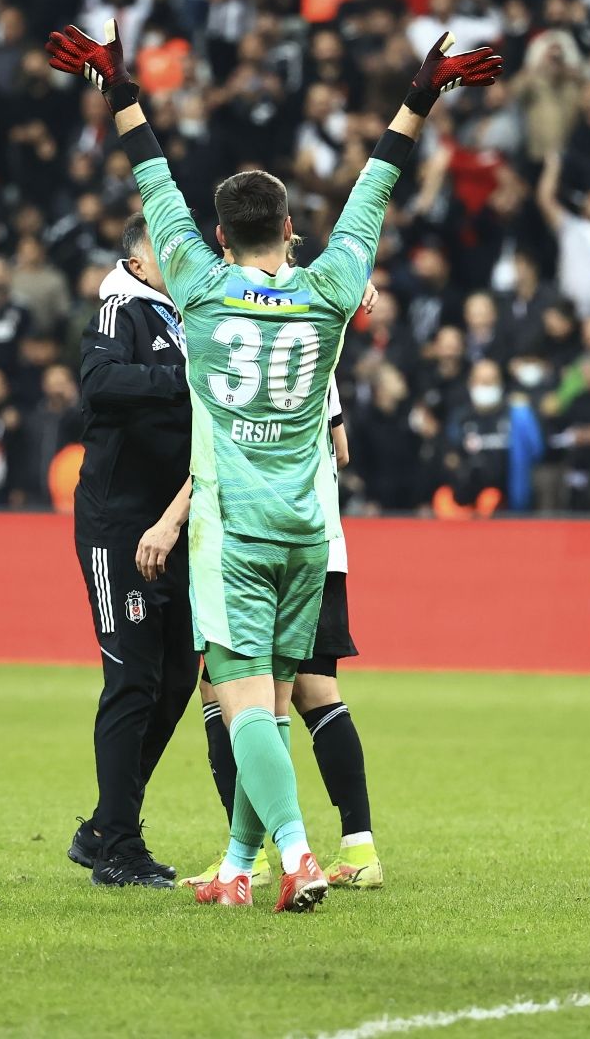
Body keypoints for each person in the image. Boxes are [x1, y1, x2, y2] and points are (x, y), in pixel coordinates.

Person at [47, 18, 499, 911]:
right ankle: (236, 863)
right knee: (276, 702)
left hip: (233, 530)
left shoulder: (201, 288)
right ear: (293, 230)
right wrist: (422, 95)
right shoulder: (332, 287)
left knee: (242, 700)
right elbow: (377, 184)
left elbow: (153, 177)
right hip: (307, 526)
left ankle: (293, 857)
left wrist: (121, 90)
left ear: (215, 236)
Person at [184, 372, 384, 891]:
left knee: (230, 690)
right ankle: (358, 846)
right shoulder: (317, 340)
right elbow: (341, 451)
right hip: (321, 540)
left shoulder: (236, 343)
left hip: (253, 539)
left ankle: (257, 858)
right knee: (313, 692)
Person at [66, 214, 195, 889]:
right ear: (139, 263)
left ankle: (103, 827)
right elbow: (101, 384)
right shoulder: (122, 307)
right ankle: (118, 847)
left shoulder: (186, 312)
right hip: (120, 526)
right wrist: (185, 382)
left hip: (176, 524)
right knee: (133, 681)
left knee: (175, 681)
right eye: (166, 251)